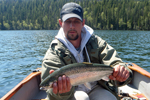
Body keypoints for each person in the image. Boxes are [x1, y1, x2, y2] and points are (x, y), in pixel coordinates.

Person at [41, 2, 132, 100]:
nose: (72, 26)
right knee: (82, 98)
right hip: (71, 92)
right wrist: (61, 92)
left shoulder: (96, 42)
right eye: (68, 21)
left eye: (76, 21)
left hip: (97, 87)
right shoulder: (54, 52)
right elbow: (51, 94)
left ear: (83, 23)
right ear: (60, 23)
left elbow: (114, 61)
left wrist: (121, 70)